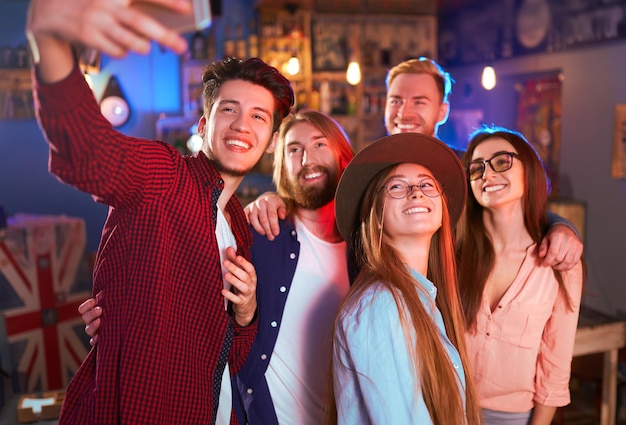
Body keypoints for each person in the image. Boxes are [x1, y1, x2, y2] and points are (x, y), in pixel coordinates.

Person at [26, 0, 294, 423]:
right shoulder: (166, 176)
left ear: (271, 141)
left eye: (259, 116)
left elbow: (233, 357)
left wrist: (246, 314)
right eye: (229, 109)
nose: (243, 124)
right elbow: (87, 152)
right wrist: (50, 39)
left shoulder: (239, 227)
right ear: (203, 126)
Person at [79, 110, 356, 424]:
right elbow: (186, 287)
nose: (306, 158)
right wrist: (118, 310)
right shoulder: (256, 234)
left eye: (320, 145)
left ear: (343, 157)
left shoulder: (369, 249)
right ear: (280, 164)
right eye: (293, 149)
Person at [245, 57, 583, 274]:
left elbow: (517, 209)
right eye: (396, 100)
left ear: (442, 112)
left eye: (419, 102)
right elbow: (315, 195)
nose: (404, 111)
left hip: (460, 313)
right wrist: (277, 200)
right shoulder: (366, 169)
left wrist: (560, 226)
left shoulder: (471, 166)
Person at [330, 133, 481, 424]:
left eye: (427, 184)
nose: (417, 192)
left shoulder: (423, 297)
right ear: (375, 217)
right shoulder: (381, 304)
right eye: (397, 186)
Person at [457, 127, 584, 424]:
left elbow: (555, 366)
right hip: (445, 403)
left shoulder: (559, 262)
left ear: (530, 171)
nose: (487, 174)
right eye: (476, 169)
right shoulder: (453, 252)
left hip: (511, 416)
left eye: (501, 162)